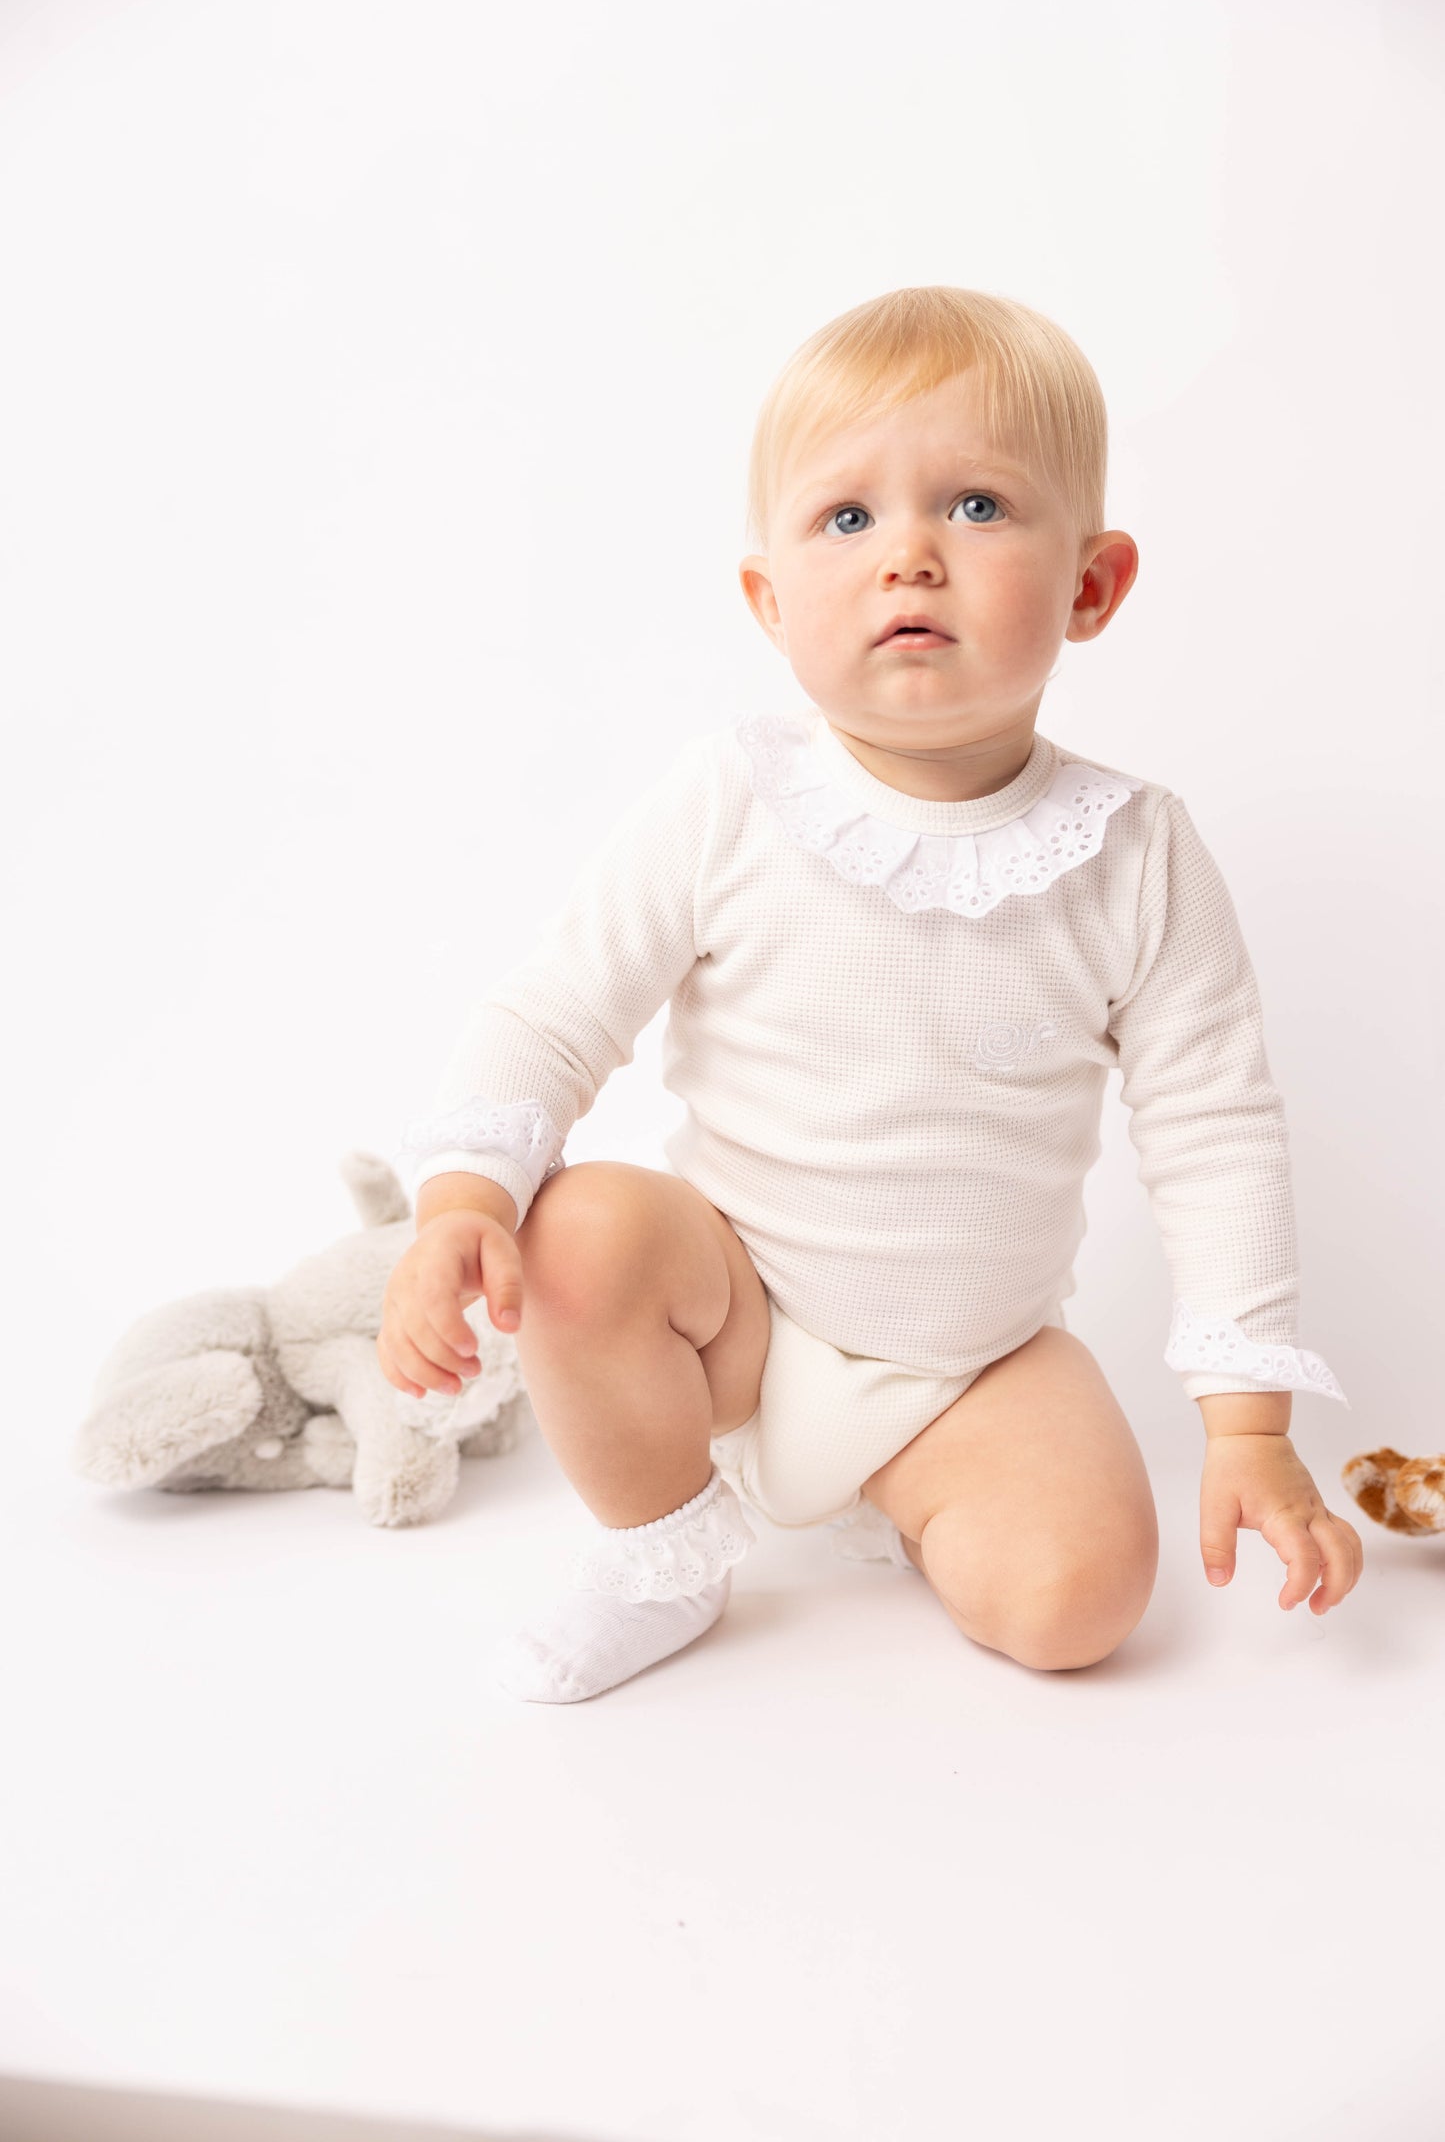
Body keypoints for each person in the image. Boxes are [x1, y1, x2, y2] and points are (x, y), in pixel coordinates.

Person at [378, 284, 1362, 1704]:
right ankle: (666, 1554)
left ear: (1089, 585)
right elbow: (554, 1008)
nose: (907, 555)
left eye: (973, 506)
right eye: (847, 519)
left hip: (974, 1359)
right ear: (772, 605)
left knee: (1078, 1611)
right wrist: (462, 1199)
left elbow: (1216, 1132)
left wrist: (1247, 1424)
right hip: (731, 1319)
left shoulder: (1134, 853)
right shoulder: (733, 799)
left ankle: (899, 1492)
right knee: (581, 1235)